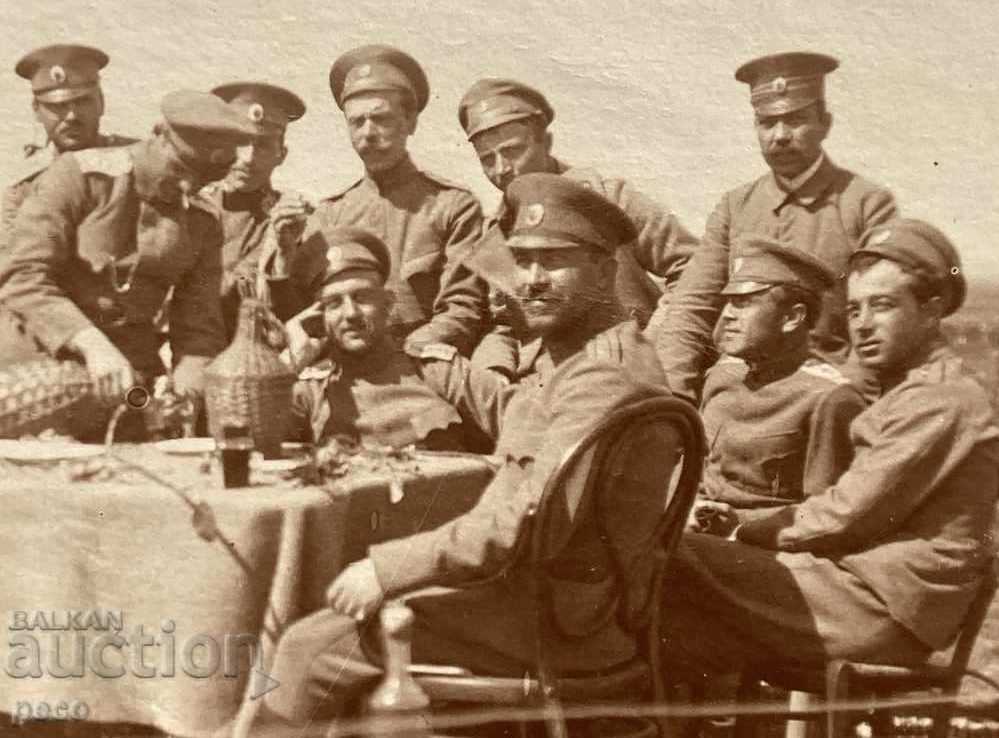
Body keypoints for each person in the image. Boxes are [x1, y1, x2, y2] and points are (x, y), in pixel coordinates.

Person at [255, 173, 682, 731]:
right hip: (578, 609)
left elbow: (522, 523)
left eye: (553, 261)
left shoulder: (598, 377)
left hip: (553, 622)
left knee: (306, 648)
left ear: (606, 270)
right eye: (521, 261)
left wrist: (387, 571)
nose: (529, 280)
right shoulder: (598, 360)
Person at [661, 219, 999, 687]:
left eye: (882, 306)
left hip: (882, 608)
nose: (862, 324)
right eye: (856, 309)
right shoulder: (909, 392)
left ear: (932, 309)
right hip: (861, 590)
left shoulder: (938, 399)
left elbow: (846, 514)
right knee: (672, 599)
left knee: (663, 557)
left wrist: (743, 530)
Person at [656, 52, 899, 403]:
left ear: (824, 123)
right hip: (737, 387)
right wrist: (671, 400)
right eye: (767, 123)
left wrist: (851, 398)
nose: (780, 136)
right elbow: (691, 307)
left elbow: (878, 316)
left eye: (795, 120)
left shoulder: (865, 203)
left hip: (825, 390)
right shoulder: (736, 206)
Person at [0, 90, 261, 416]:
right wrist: (89, 342)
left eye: (202, 180)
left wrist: (185, 392)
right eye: (180, 170)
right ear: (159, 136)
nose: (187, 187)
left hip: (129, 379)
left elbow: (199, 329)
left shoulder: (203, 221)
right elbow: (21, 274)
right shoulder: (81, 176)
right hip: (34, 365)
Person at [458, 77, 698, 380]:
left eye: (512, 150)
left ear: (545, 141)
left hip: (623, 368)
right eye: (487, 159)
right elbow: (505, 324)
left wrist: (651, 343)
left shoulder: (607, 196)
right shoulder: (496, 233)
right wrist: (493, 370)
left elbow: (694, 268)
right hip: (541, 380)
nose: (502, 168)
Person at [261, 45, 488, 357]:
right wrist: (285, 254)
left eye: (380, 118)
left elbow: (463, 310)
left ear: (410, 122)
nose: (368, 133)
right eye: (357, 122)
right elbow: (302, 314)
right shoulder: (330, 215)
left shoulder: (453, 207)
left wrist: (396, 358)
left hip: (422, 367)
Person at [691, 235, 867, 534]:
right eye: (729, 302)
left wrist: (740, 524)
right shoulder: (723, 376)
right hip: (699, 532)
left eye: (744, 303)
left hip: (765, 547)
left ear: (792, 318)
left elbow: (829, 515)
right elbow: (698, 472)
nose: (728, 315)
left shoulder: (830, 398)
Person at [286, 230, 478, 451]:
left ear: (388, 303)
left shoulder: (438, 371)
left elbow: (519, 411)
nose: (351, 313)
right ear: (319, 318)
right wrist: (292, 361)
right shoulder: (311, 392)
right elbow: (244, 441)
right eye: (334, 303)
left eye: (363, 296)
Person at [200, 81, 307, 335]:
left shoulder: (293, 220)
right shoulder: (191, 209)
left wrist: (283, 257)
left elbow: (297, 316)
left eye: (262, 145)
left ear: (281, 154)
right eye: (240, 142)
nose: (247, 158)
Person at [3, 44, 135, 228]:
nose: (71, 116)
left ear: (101, 103)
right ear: (36, 110)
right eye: (57, 106)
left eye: (82, 102)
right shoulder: (25, 186)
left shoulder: (136, 162)